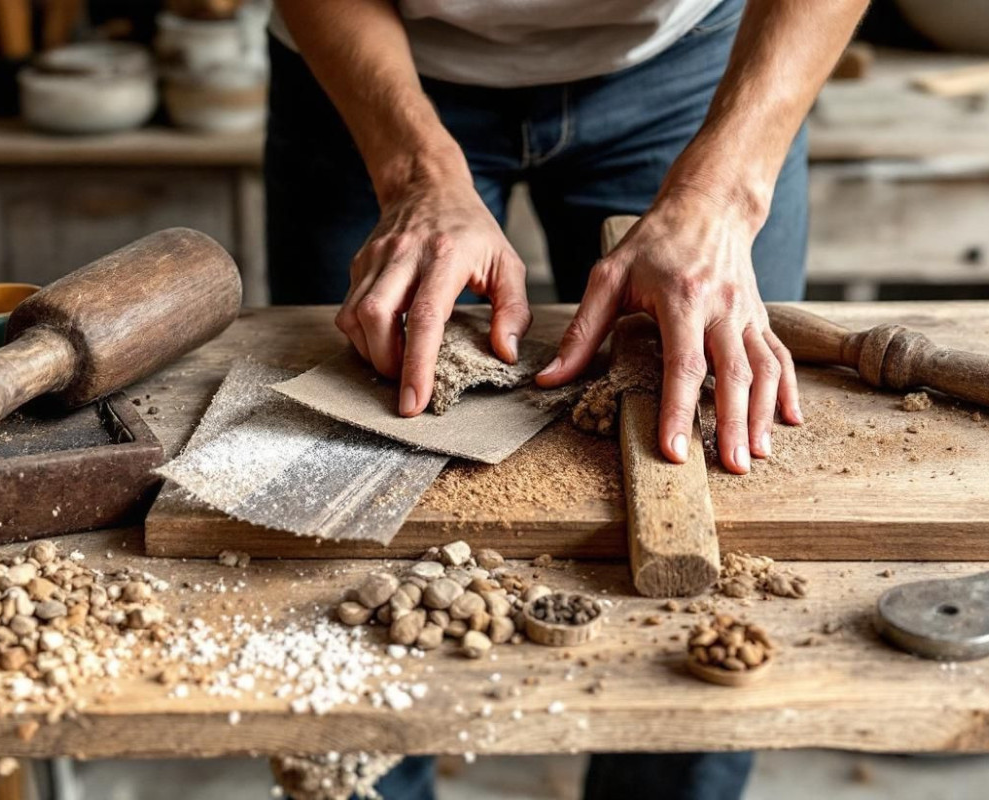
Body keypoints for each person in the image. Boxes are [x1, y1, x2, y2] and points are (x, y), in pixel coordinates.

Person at [264, 0, 866, 796]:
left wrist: (725, 195)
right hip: (375, 55)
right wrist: (413, 172)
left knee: (720, 511)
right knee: (332, 524)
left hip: (693, 69)